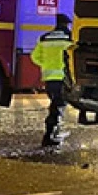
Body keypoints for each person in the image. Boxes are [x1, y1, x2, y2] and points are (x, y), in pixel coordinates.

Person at [30, 13, 75, 147]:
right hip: (64, 78)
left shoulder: (45, 38)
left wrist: (46, 64)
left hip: (49, 78)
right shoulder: (70, 38)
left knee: (56, 104)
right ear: (66, 24)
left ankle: (54, 132)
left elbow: (34, 57)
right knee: (58, 106)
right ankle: (50, 135)